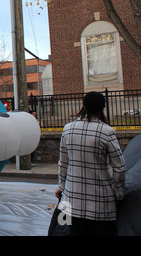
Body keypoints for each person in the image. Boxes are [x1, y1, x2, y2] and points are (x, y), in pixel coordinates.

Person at [55, 91, 126, 236]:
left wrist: (61, 187)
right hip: (102, 200)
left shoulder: (68, 129)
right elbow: (120, 167)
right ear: (102, 108)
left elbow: (63, 163)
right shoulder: (107, 131)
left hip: (72, 199)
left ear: (84, 105)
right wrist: (119, 194)